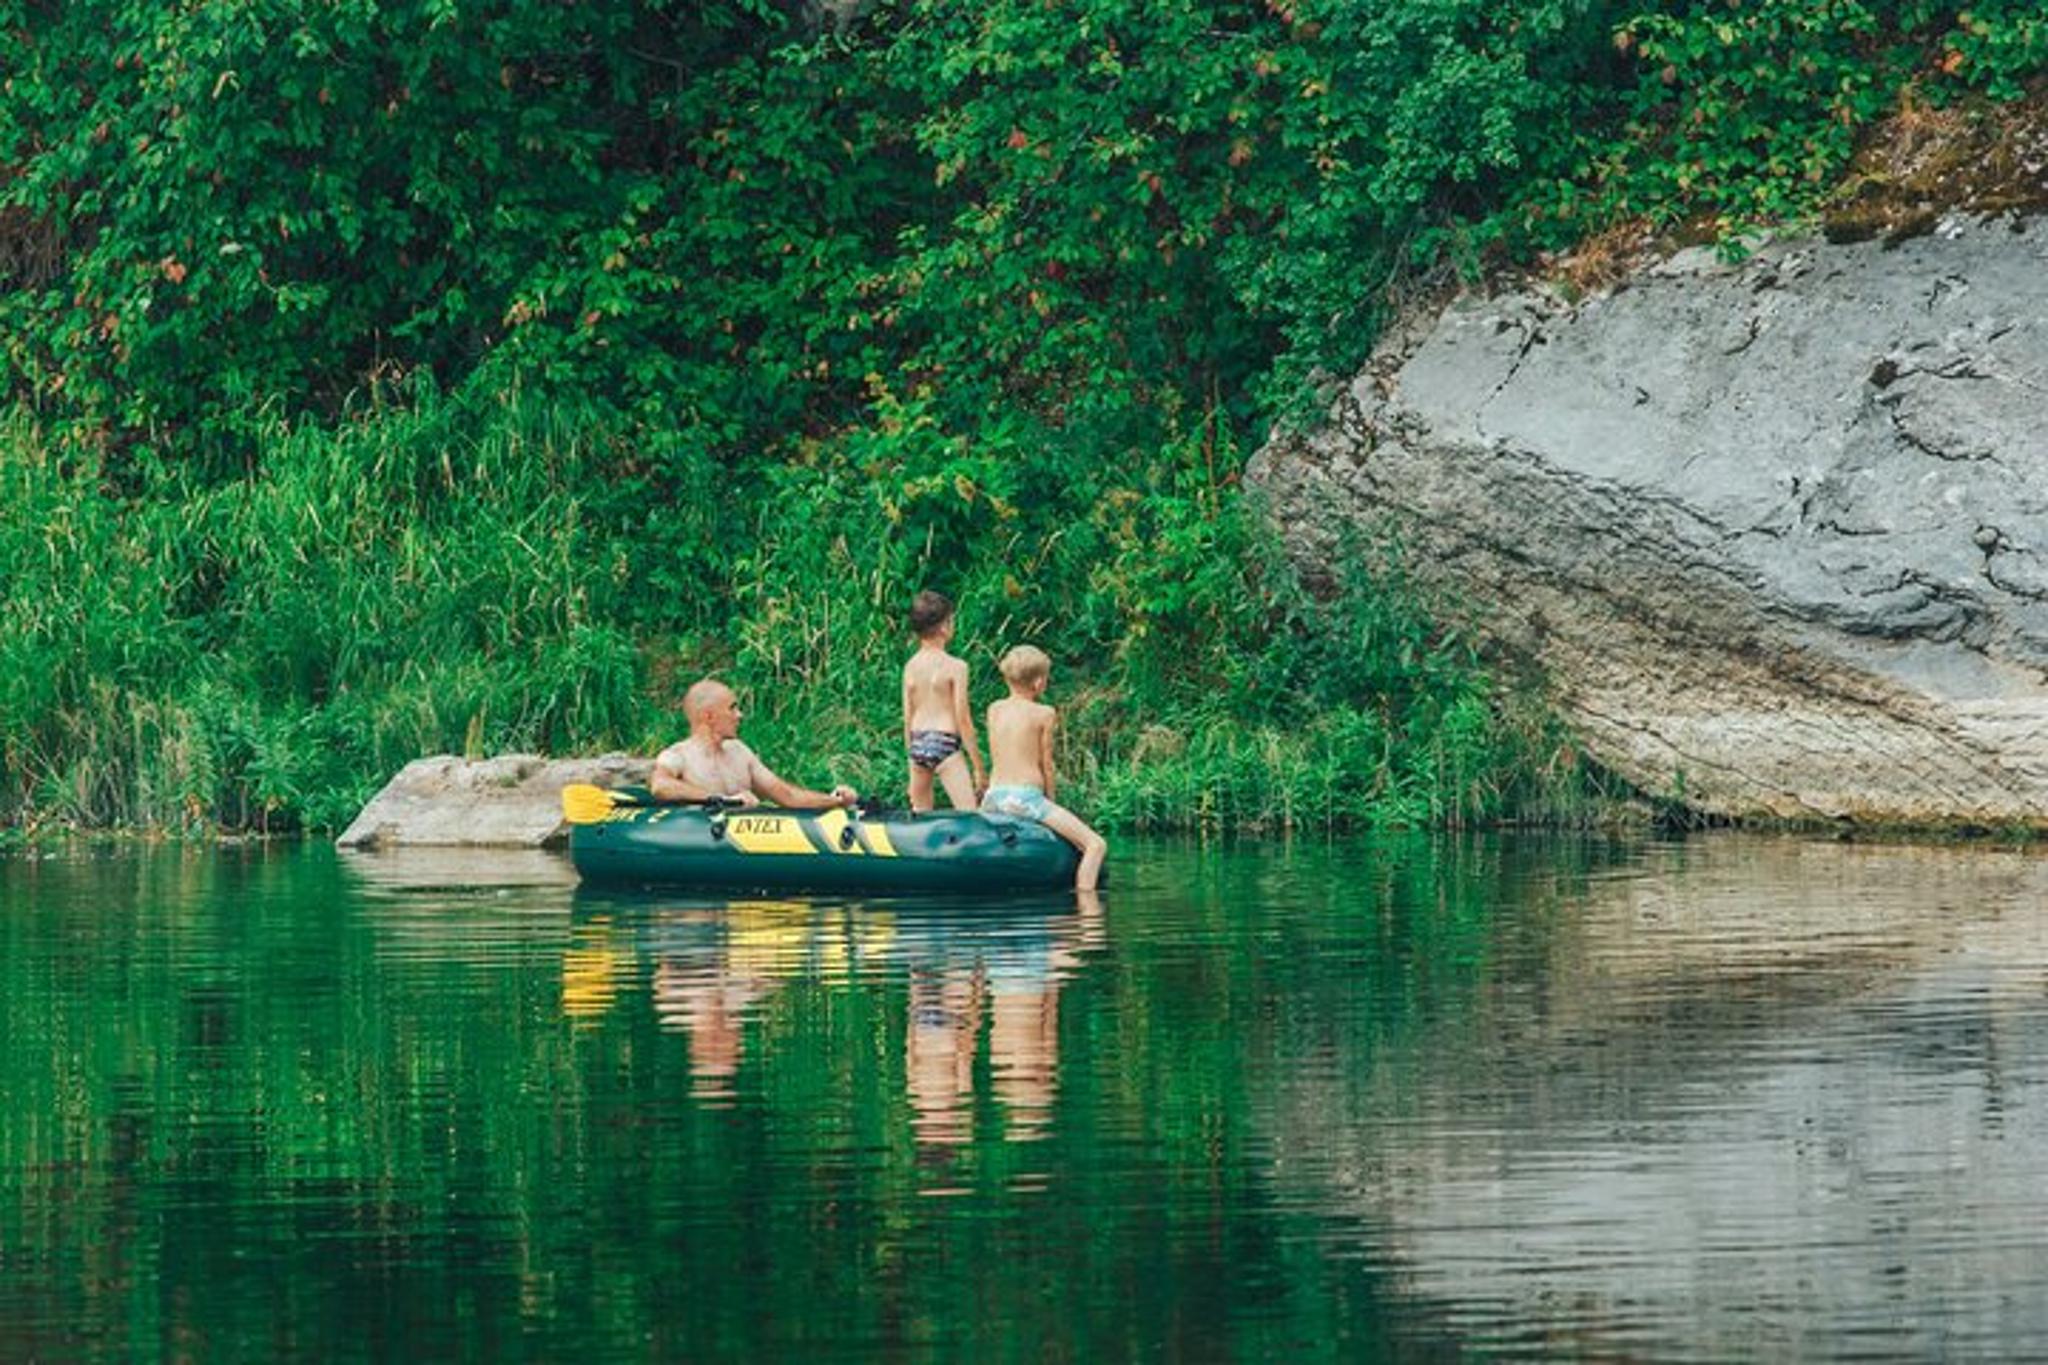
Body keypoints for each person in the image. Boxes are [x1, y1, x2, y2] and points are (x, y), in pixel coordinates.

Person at [980, 645, 1108, 890]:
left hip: (994, 797)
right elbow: (1046, 764)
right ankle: (1086, 907)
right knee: (1095, 845)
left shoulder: (994, 709)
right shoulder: (1044, 713)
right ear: (1038, 683)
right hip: (1026, 798)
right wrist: (1051, 801)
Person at [649, 677, 860, 809]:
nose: (739, 715)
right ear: (709, 716)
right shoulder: (678, 755)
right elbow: (661, 786)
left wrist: (835, 800)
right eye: (732, 708)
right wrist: (722, 799)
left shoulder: (740, 752)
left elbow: (787, 795)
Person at [901, 590, 985, 812]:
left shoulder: (910, 666)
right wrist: (978, 767)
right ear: (944, 627)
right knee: (969, 814)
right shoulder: (956, 667)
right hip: (944, 741)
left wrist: (911, 756)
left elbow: (907, 716)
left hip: (918, 742)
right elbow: (963, 717)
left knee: (920, 817)